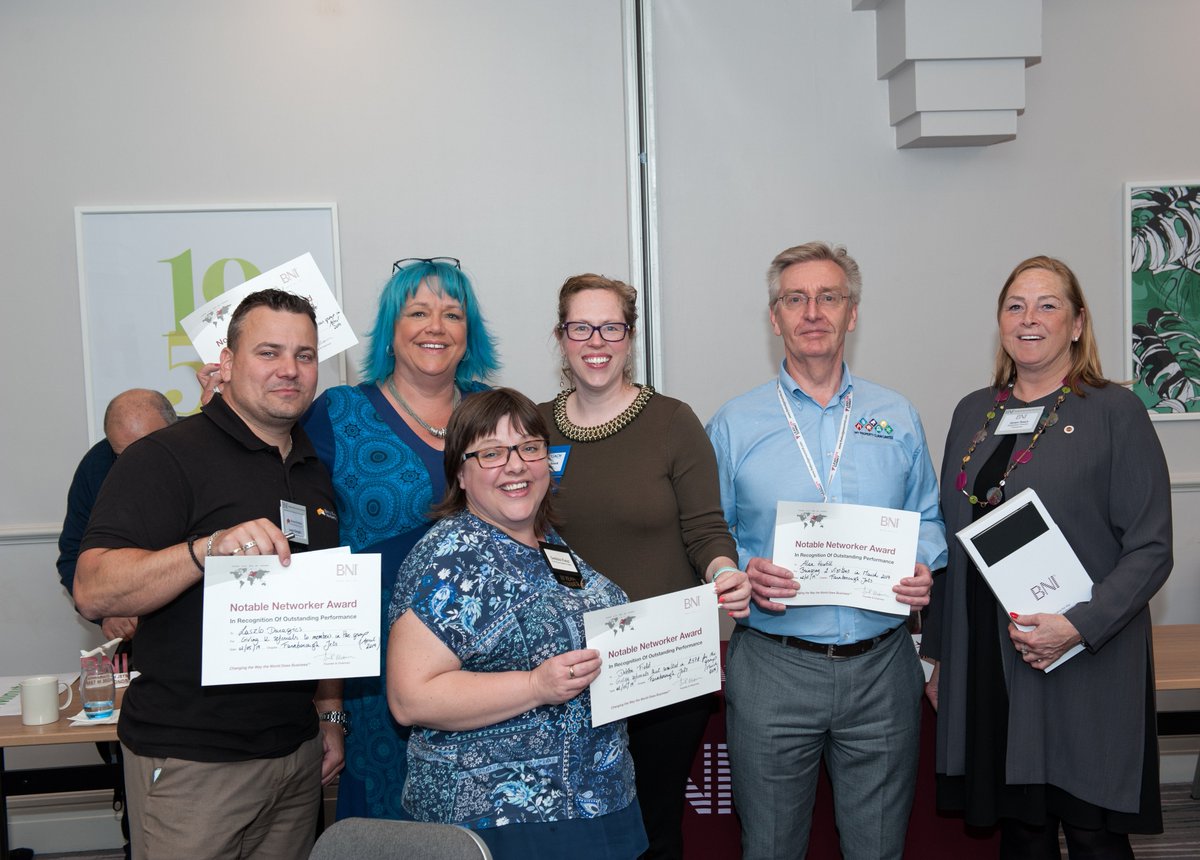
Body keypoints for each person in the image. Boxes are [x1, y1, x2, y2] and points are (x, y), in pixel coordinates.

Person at [74, 289, 346, 860]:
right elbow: (93, 586)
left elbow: (320, 613)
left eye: (304, 355)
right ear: (225, 363)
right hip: (193, 763)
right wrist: (204, 550)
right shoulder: (166, 457)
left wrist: (329, 716)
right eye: (269, 352)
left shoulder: (312, 472)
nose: (289, 370)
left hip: (294, 758)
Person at [923, 256, 1172, 859]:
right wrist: (938, 655)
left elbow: (1151, 546)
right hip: (990, 655)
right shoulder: (972, 412)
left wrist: (1076, 626)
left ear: (1078, 323)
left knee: (1090, 828)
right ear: (1000, 322)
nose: (1029, 319)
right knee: (1022, 829)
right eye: (1015, 306)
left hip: (1081, 651)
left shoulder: (1115, 411)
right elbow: (949, 542)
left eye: (1047, 305)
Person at [705, 241, 947, 860]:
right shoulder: (734, 424)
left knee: (878, 848)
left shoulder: (897, 416)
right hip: (773, 667)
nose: (813, 312)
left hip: (882, 668)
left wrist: (923, 564)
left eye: (829, 297)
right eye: (796, 299)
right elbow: (708, 532)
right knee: (772, 847)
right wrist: (739, 569)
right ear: (775, 316)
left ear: (852, 314)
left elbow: (927, 517)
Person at [536, 273, 750, 859]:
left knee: (651, 828)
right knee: (572, 832)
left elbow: (705, 529)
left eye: (611, 326)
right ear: (561, 337)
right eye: (581, 326)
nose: (596, 340)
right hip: (565, 669)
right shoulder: (533, 429)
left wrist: (724, 573)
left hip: (662, 667)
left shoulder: (673, 422)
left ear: (629, 338)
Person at [386, 388, 648, 859]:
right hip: (503, 823)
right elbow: (410, 697)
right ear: (460, 474)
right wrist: (534, 686)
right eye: (491, 452)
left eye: (529, 448)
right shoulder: (451, 557)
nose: (515, 465)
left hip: (595, 804)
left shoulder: (550, 545)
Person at [301, 256, 498, 819]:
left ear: (469, 334)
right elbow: (314, 560)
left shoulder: (495, 413)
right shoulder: (337, 414)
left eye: (452, 314)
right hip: (374, 674)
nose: (435, 326)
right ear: (391, 330)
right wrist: (329, 707)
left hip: (484, 669)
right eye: (418, 312)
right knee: (388, 825)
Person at [57, 388, 177, 640]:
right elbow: (73, 557)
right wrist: (107, 613)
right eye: (123, 456)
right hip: (137, 634)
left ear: (174, 430)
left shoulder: (208, 452)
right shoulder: (96, 466)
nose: (136, 466)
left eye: (149, 451)